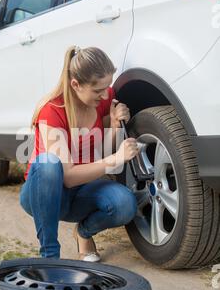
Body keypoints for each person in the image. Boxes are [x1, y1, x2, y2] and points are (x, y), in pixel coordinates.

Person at [19, 45, 139, 261]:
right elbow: (68, 176)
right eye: (98, 91)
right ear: (76, 84)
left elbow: (102, 153)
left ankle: (83, 232)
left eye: (107, 87)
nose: (105, 96)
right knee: (47, 163)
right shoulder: (52, 110)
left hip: (83, 193)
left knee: (125, 204)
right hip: (47, 193)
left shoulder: (102, 98)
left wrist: (113, 125)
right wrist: (117, 159)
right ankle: (49, 255)